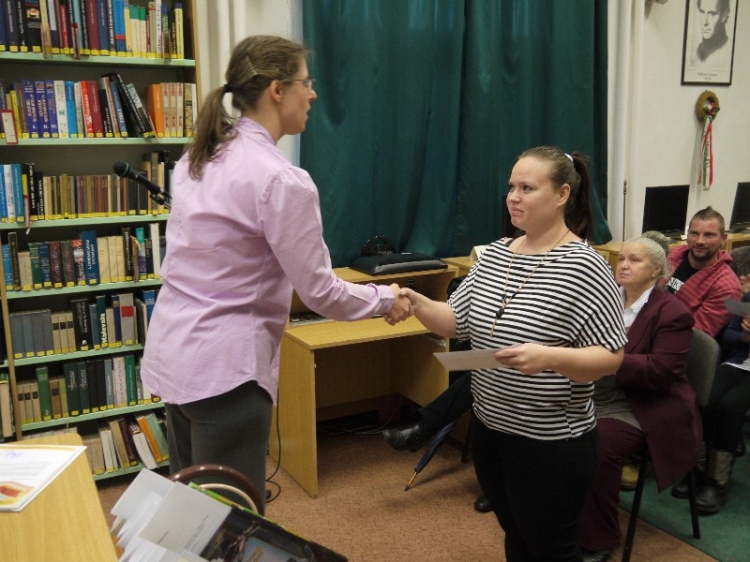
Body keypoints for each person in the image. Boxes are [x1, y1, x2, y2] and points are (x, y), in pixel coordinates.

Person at [139, 35, 410, 508]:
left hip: (176, 356)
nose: (314, 94)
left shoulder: (198, 158)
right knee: (231, 522)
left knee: (190, 512)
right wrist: (385, 298)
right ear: (277, 90)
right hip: (226, 373)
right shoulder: (281, 179)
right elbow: (320, 291)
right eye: (307, 83)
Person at [397, 146, 626, 561]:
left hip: (551, 443)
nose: (513, 197)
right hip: (491, 429)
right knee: (517, 539)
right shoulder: (496, 253)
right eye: (511, 187)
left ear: (562, 195)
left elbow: (609, 357)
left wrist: (551, 358)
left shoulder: (584, 266)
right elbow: (456, 320)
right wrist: (418, 303)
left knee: (551, 551)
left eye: (527, 188)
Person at [578, 237, 700, 562]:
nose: (624, 265)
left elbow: (662, 370)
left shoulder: (672, 312)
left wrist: (607, 360)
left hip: (646, 403)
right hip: (599, 389)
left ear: (657, 270)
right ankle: (555, 511)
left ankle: (599, 539)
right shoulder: (605, 301)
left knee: (596, 443)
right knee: (543, 418)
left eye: (635, 260)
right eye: (621, 259)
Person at [690, 250, 750, 514]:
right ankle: (700, 466)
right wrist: (745, 337)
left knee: (730, 406)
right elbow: (729, 335)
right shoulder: (748, 297)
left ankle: (718, 480)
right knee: (706, 397)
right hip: (740, 361)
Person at [665, 206, 743, 338]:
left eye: (709, 235)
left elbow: (696, 337)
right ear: (687, 235)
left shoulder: (727, 288)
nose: (700, 241)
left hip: (674, 341)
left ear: (723, 239)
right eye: (694, 233)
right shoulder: (674, 255)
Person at [691, 0, 732, 66]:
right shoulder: (698, 51)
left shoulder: (727, 51)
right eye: (702, 12)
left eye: (712, 14)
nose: (705, 22)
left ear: (724, 15)